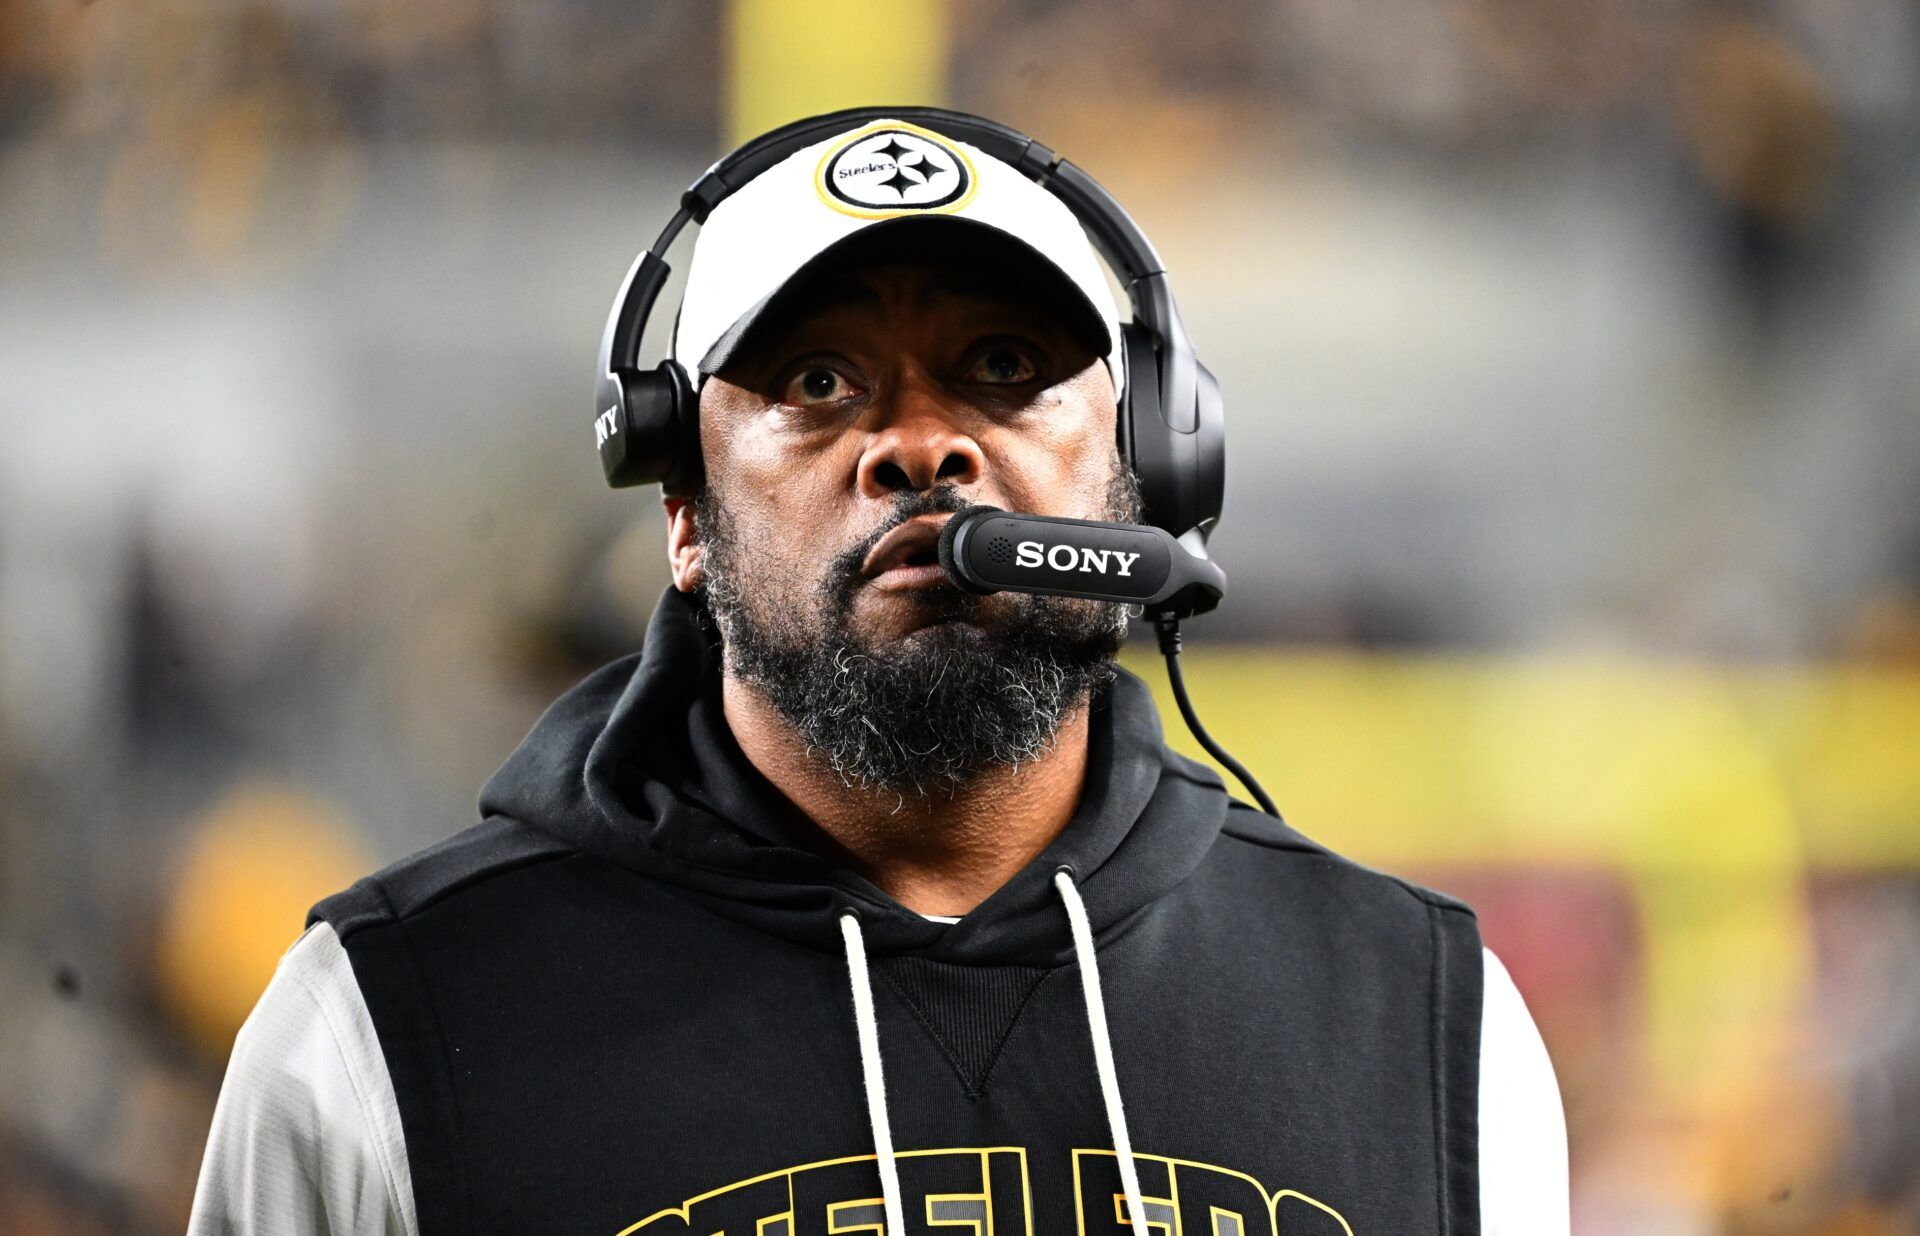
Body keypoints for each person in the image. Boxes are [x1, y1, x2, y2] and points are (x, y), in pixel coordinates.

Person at [188, 113, 1568, 1236]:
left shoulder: (1429, 1024)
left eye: (1005, 366)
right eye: (819, 383)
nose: (920, 446)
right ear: (682, 511)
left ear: (1151, 468)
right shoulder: (377, 1037)